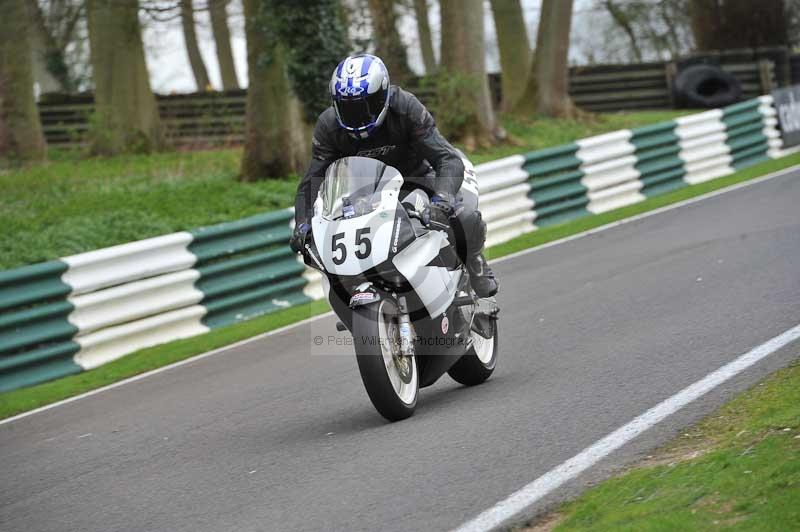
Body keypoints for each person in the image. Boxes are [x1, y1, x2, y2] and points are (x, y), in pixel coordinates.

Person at [290, 53, 498, 298]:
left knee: (462, 216)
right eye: (348, 107)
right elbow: (312, 181)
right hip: (366, 193)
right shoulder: (328, 126)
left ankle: (474, 261)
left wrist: (442, 199)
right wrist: (303, 224)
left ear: (384, 94)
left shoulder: (406, 107)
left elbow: (446, 158)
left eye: (366, 104)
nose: (358, 114)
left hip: (418, 180)